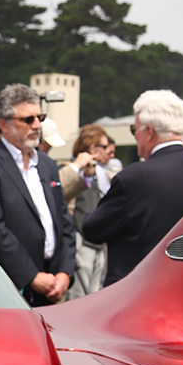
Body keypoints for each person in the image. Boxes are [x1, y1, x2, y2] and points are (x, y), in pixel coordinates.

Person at [81, 89, 183, 286]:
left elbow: (93, 230)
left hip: (139, 294)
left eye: (135, 130)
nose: (135, 137)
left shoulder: (132, 178)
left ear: (149, 132)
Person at [0, 83, 75, 304]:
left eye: (39, 118)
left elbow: (64, 221)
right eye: (28, 119)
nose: (36, 125)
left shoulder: (47, 164)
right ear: (3, 124)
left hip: (52, 284)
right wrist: (31, 276)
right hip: (10, 287)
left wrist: (65, 272)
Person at [60, 124, 119, 298]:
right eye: (104, 146)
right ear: (93, 147)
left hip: (99, 242)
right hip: (80, 241)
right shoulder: (72, 168)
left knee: (96, 295)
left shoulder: (101, 174)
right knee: (79, 296)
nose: (109, 151)